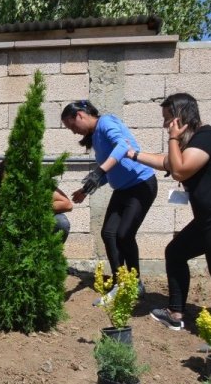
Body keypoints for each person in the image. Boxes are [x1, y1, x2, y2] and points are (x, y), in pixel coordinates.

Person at [133, 93, 211, 330]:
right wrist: (133, 155)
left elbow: (179, 170)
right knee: (176, 252)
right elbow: (167, 162)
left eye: (168, 119)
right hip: (210, 218)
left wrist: (173, 138)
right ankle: (175, 313)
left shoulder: (207, 137)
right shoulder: (193, 144)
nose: (165, 125)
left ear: (180, 118)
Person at [61, 100, 157, 302]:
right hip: (123, 189)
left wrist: (99, 171)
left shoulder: (106, 122)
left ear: (80, 115)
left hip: (141, 184)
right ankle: (120, 282)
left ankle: (135, 284)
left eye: (72, 126)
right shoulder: (95, 136)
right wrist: (86, 189)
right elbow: (110, 170)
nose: (74, 132)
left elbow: (123, 146)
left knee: (124, 234)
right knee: (109, 233)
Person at [0, 161, 74, 286]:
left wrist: (34, 206)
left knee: (61, 222)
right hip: (12, 241)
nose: (12, 187)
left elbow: (67, 204)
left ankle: (47, 261)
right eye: (7, 182)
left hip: (35, 236)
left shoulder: (37, 185)